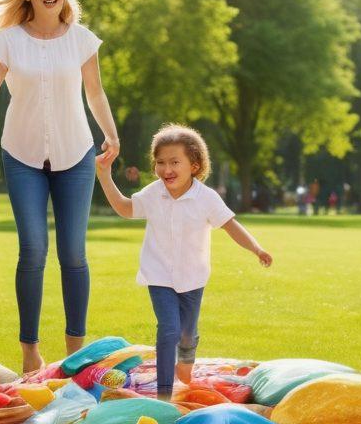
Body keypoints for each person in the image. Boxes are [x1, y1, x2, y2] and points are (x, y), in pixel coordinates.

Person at [0, 0, 119, 373]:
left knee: (73, 254)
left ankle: (74, 354)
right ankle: (30, 351)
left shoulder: (82, 39)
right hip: (22, 153)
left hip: (75, 153)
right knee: (33, 249)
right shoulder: (9, 40)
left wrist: (112, 134)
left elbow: (95, 94)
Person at [96, 124, 272, 399]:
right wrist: (104, 175)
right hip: (159, 275)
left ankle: (187, 359)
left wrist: (257, 248)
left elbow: (231, 225)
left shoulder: (207, 198)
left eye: (175, 162)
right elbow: (123, 207)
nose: (167, 169)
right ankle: (164, 394)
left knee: (187, 333)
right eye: (161, 162)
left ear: (195, 165)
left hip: (192, 277)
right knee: (169, 330)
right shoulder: (153, 193)